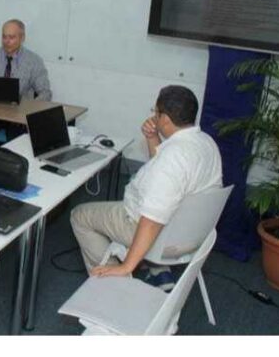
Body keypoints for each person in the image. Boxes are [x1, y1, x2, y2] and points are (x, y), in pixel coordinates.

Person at [70, 85, 222, 290]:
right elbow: (164, 173)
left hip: (156, 232)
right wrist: (152, 138)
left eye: (156, 112)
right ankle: (157, 269)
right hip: (191, 234)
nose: (154, 115)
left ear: (165, 119)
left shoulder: (173, 159)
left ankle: (112, 283)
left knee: (80, 215)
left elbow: (151, 221)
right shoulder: (206, 143)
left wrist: (126, 267)